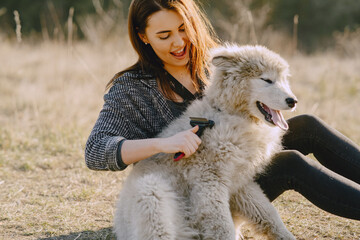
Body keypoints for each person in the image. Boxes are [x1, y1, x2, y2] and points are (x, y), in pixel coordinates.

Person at [85, 0, 360, 220]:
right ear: (143, 37)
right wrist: (164, 143)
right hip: (192, 197)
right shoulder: (131, 88)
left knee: (307, 126)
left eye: (184, 28)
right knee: (290, 163)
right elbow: (96, 150)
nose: (179, 42)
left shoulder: (218, 64)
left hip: (236, 170)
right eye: (164, 35)